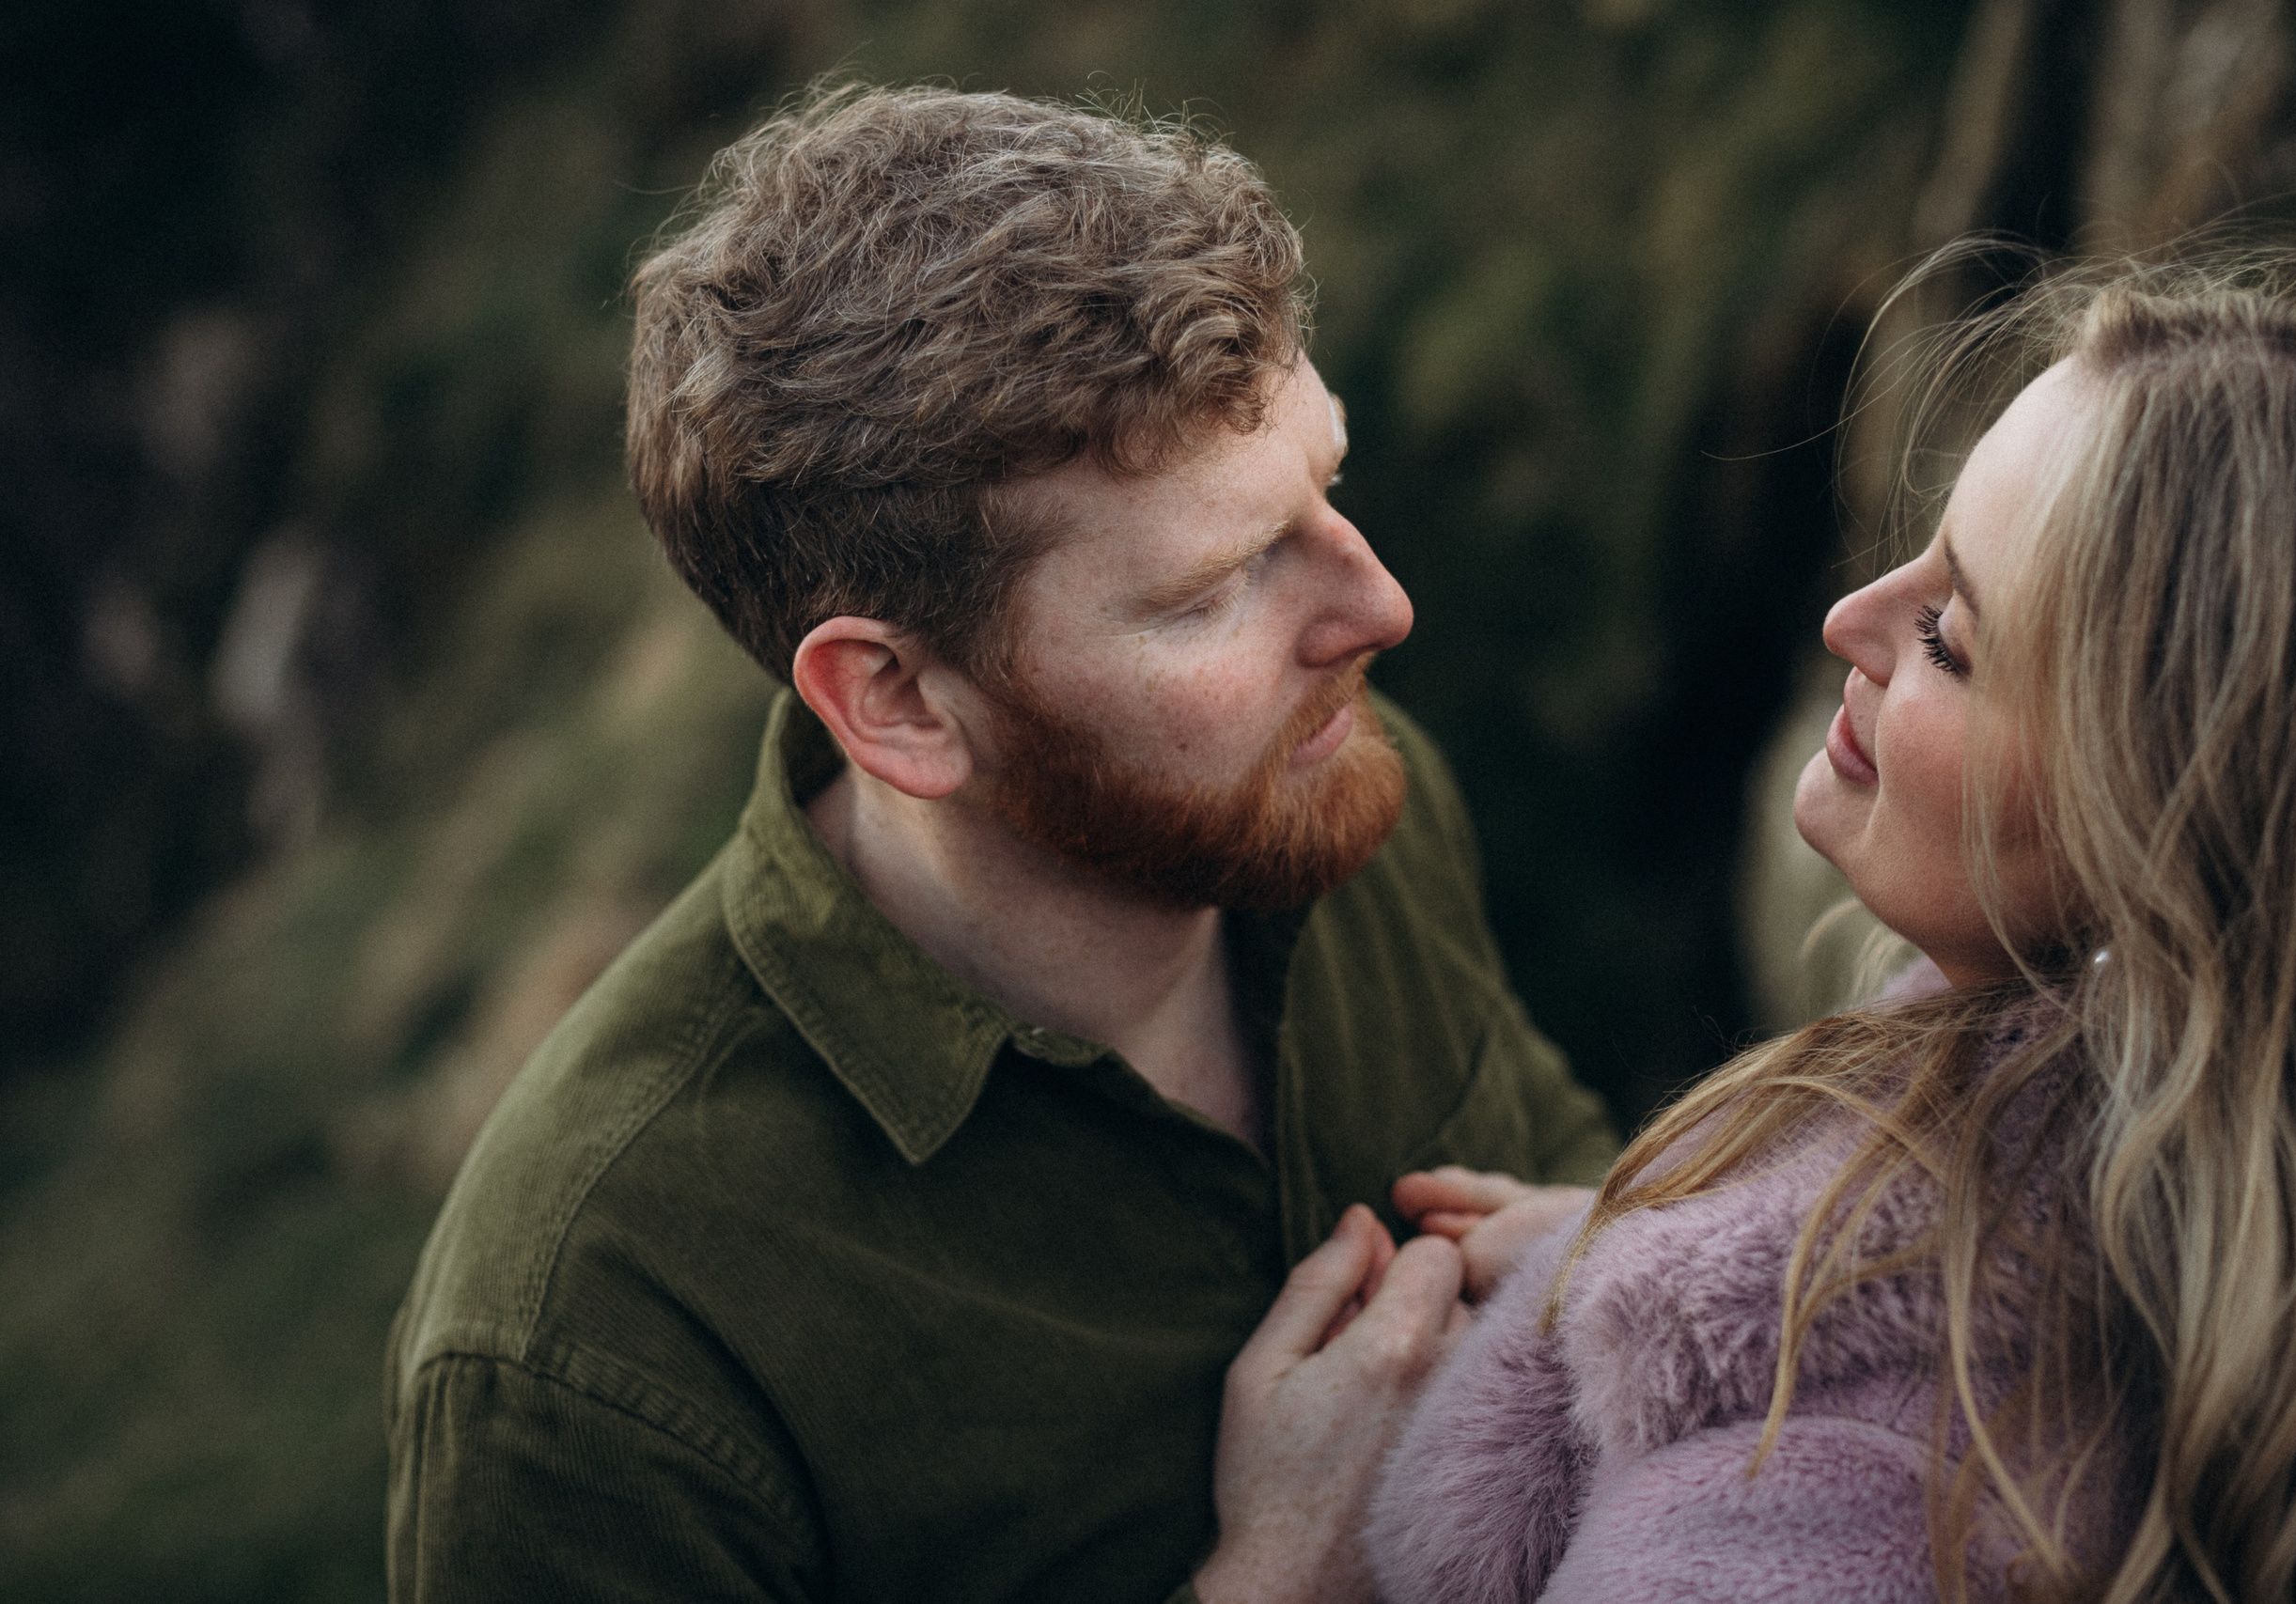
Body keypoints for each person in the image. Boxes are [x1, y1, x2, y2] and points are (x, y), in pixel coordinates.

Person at [381, 85, 1620, 1604]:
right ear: (897, 702)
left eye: (1329, 482)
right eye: (1213, 589)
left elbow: (1558, 1155)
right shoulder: (591, 1351)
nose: (1379, 610)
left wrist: (1621, 1265)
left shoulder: (1335, 784)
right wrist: (1282, 1580)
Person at [1367, 248, 2296, 1602]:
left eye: (1952, 640)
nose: (1847, 621)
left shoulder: (1849, 1484)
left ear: (2168, 835)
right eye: (1916, 551)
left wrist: (1272, 1570)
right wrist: (1639, 1258)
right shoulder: (2256, 1250)